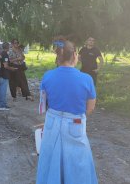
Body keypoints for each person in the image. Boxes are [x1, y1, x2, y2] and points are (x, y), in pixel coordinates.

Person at [36, 39, 98, 184]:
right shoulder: (86, 79)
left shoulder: (47, 76)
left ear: (58, 57)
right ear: (75, 55)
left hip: (52, 122)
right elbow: (90, 108)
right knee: (78, 162)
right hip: (75, 123)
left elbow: (43, 104)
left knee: (51, 159)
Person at [0, 42, 18, 111]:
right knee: (3, 90)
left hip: (0, 73)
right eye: (9, 46)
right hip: (4, 75)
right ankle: (3, 105)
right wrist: (12, 69)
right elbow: (5, 66)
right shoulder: (5, 54)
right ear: (7, 47)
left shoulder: (1, 53)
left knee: (0, 90)